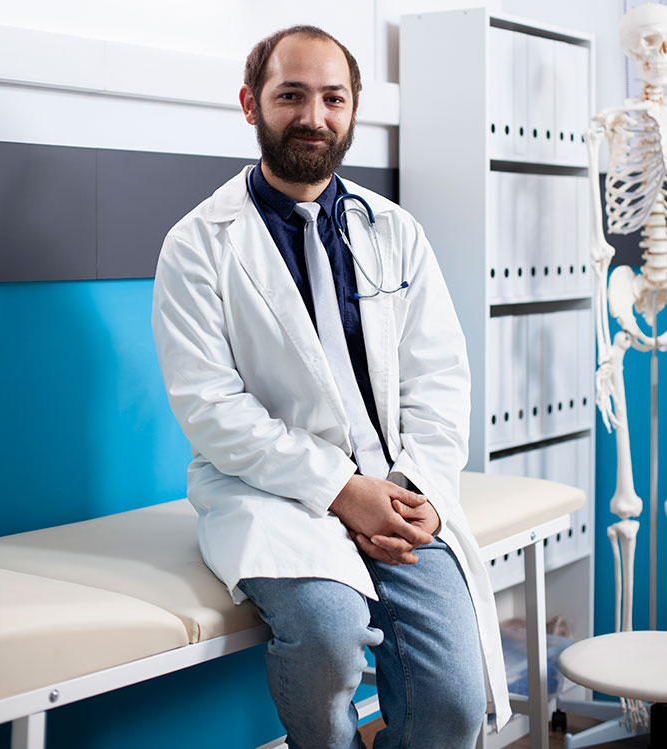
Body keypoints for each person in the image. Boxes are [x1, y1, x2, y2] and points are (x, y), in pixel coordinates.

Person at [152, 24, 510, 748]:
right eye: (292, 95)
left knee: (455, 704)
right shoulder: (197, 244)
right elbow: (211, 410)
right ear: (252, 104)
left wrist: (422, 492)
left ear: (353, 111)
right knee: (328, 636)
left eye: (332, 98)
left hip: (400, 493)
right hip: (270, 494)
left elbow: (440, 376)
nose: (313, 116)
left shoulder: (396, 232)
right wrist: (341, 489)